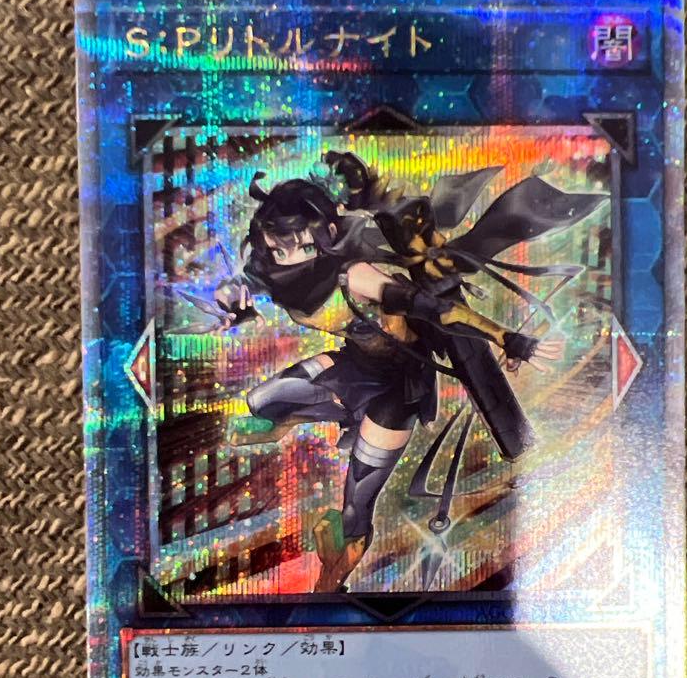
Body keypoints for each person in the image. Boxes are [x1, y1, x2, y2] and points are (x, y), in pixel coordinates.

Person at [211, 152, 605, 591]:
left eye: (303, 246)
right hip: (354, 367)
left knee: (355, 507)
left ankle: (331, 583)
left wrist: (506, 337)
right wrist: (232, 301)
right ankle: (298, 417)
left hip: (397, 389)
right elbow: (243, 287)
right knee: (259, 406)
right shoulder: (268, 268)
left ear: (327, 236)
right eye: (278, 248)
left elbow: (439, 310)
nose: (289, 257)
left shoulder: (355, 277)